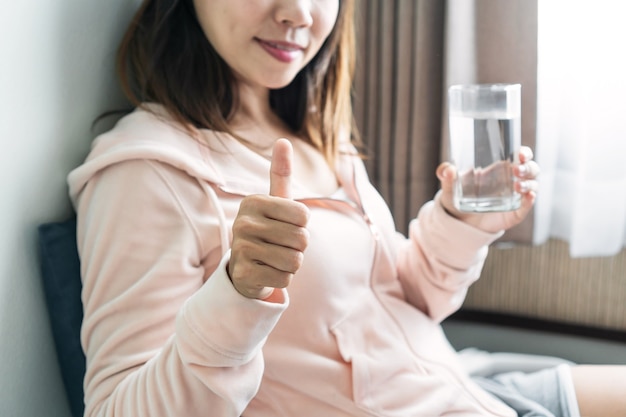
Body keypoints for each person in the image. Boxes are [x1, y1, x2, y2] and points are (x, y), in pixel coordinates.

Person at [68, 0, 626, 416]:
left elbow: (409, 302)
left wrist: (460, 223)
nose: (299, 13)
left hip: (466, 385)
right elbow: (117, 408)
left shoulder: (314, 134)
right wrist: (236, 292)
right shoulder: (145, 171)